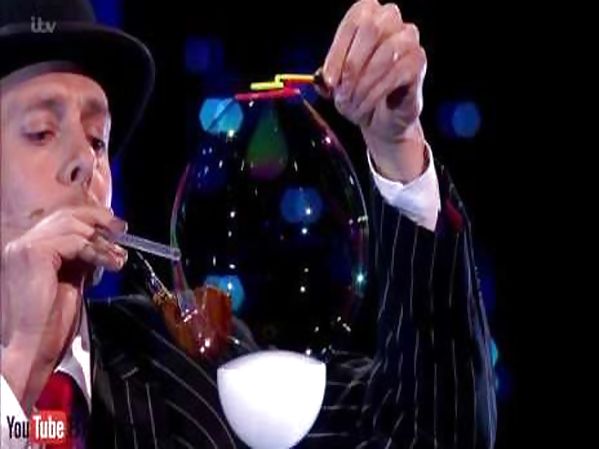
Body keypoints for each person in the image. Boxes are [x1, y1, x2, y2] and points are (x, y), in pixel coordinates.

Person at [0, 0, 497, 448]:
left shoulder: (187, 360)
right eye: (41, 132)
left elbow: (429, 432)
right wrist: (22, 363)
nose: (86, 162)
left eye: (98, 139)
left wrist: (396, 144)